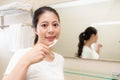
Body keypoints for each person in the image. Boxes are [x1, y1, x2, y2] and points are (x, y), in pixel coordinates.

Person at [2, 6, 64, 80]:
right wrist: (26, 60)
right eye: (44, 25)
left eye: (55, 25)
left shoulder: (60, 59)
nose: (51, 30)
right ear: (35, 30)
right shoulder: (21, 54)